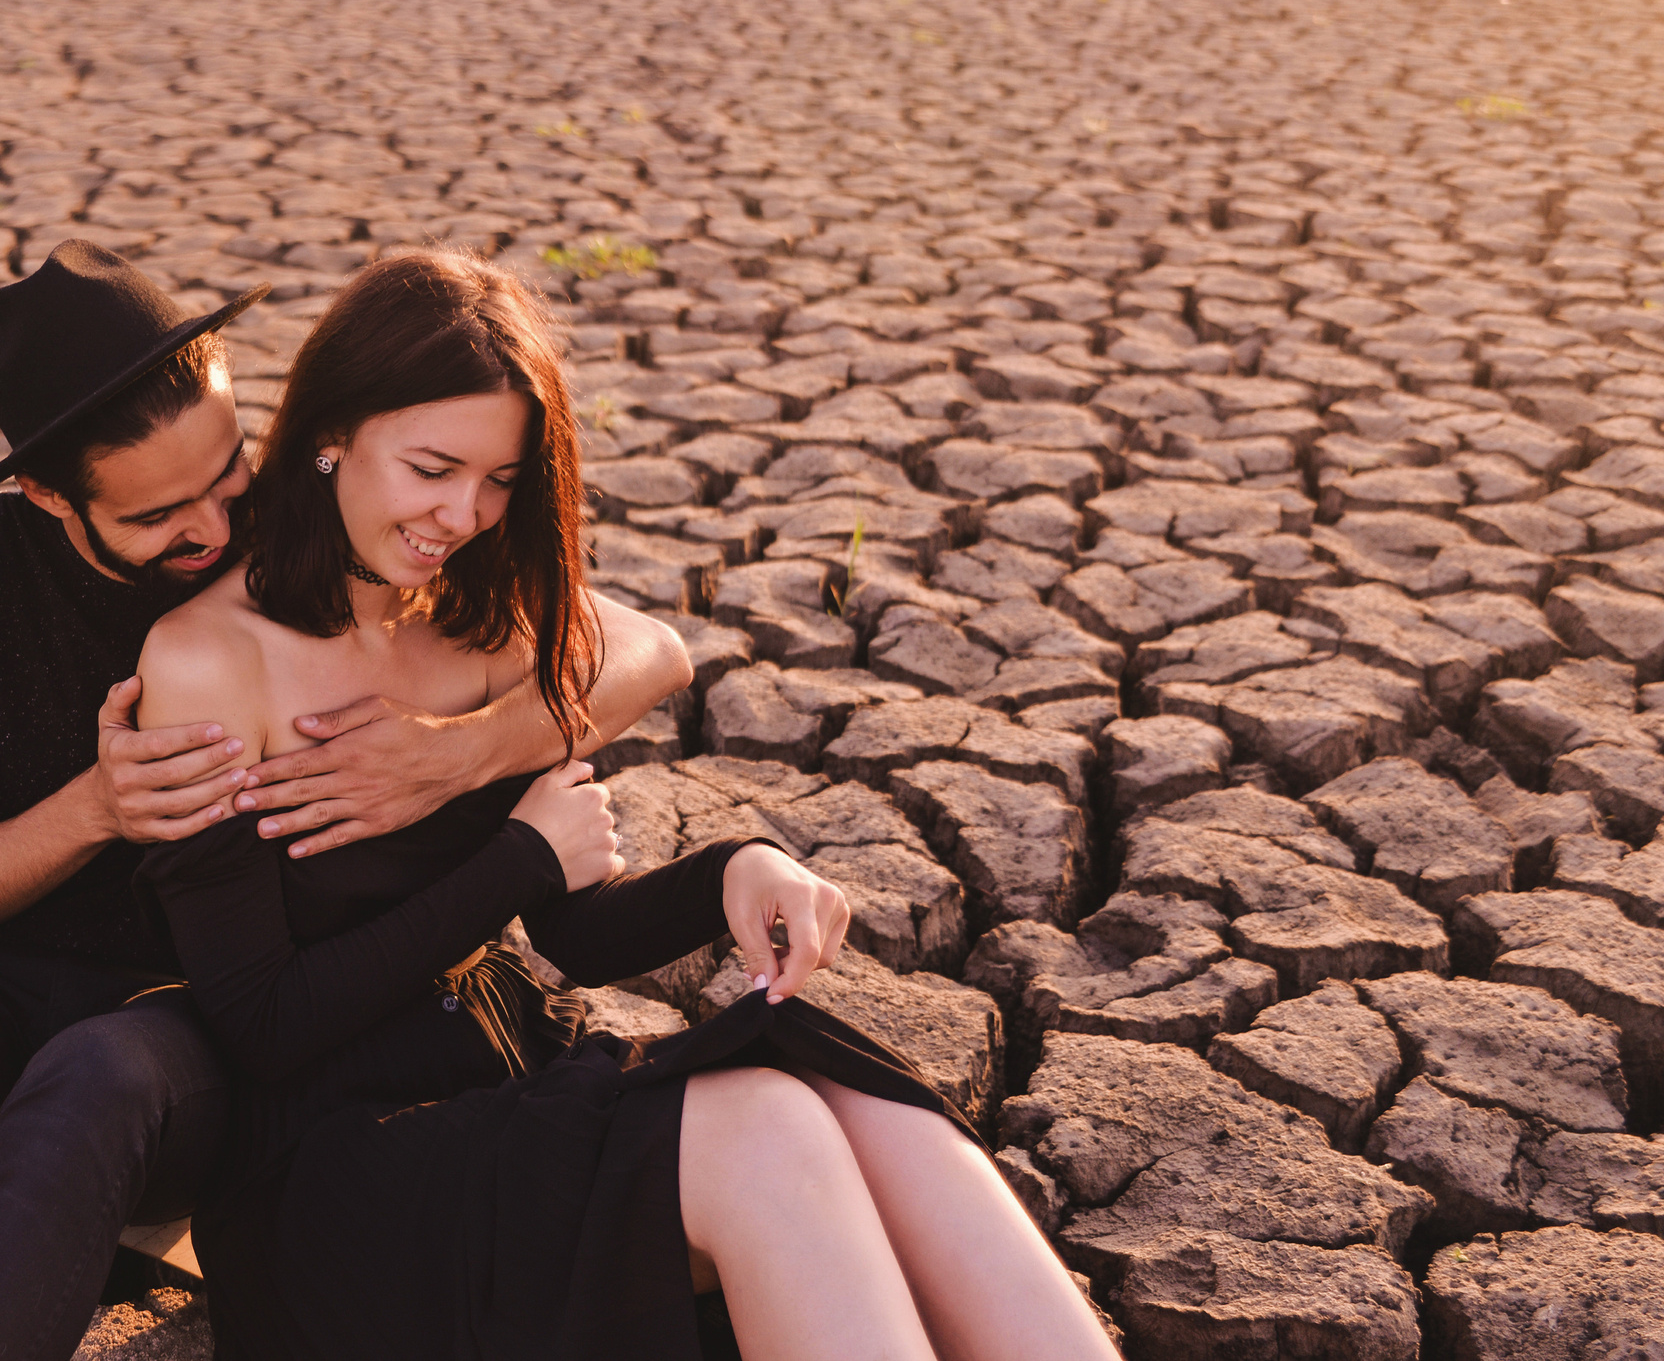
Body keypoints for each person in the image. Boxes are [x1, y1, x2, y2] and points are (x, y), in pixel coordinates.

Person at [0, 242, 694, 1361]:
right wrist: (97, 806)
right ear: (49, 494)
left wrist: (461, 751)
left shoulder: (311, 516)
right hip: (8, 984)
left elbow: (640, 644)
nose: (209, 529)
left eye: (224, 472)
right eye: (156, 515)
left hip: (209, 1012)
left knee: (93, 1082)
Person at [133, 249, 1122, 1361]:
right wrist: (515, 858)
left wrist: (736, 866)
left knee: (840, 1083)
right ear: (331, 432)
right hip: (327, 1187)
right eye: (431, 465)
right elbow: (262, 1021)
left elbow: (578, 927)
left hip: (510, 1096)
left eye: (499, 478)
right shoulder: (210, 661)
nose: (462, 510)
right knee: (761, 1125)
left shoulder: (474, 614)